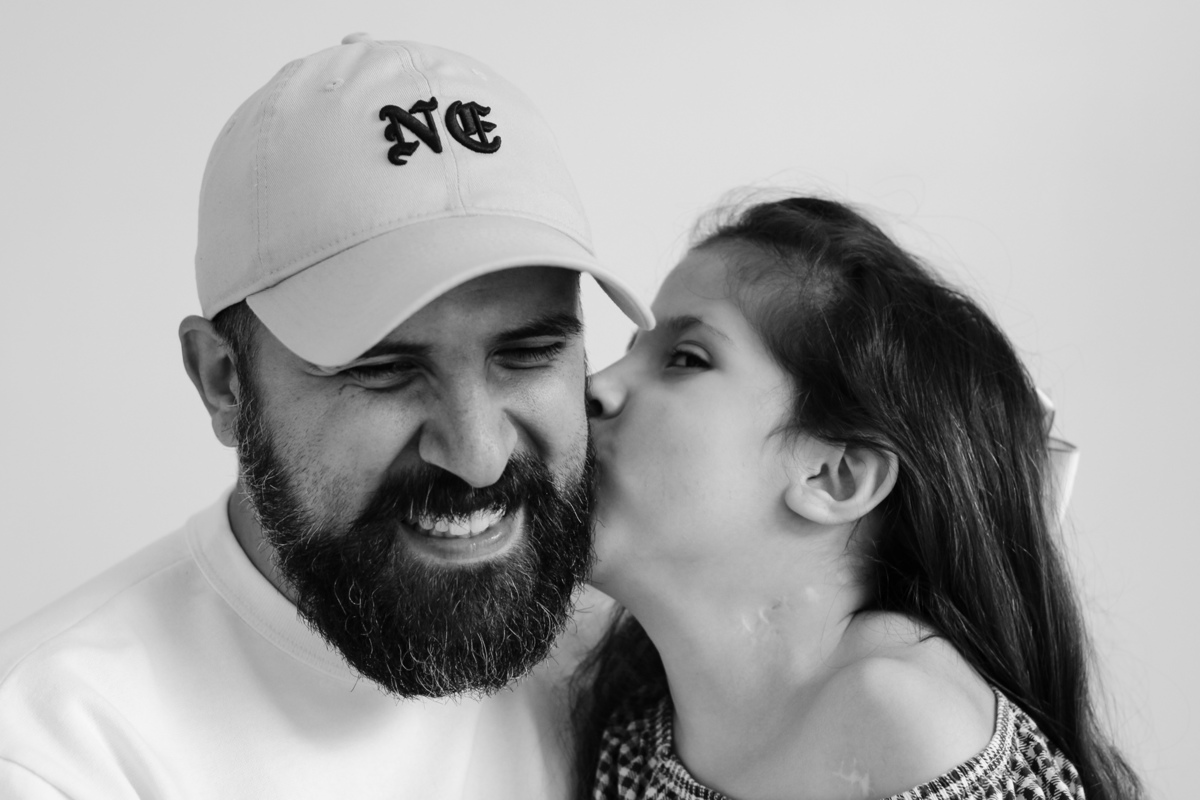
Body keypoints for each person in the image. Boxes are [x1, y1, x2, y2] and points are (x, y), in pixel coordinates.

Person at [0, 34, 652, 798]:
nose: (478, 456)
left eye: (529, 353)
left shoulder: (635, 649)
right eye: (383, 370)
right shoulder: (55, 755)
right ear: (222, 381)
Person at [576, 196, 1142, 800]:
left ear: (836, 476)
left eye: (685, 359)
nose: (594, 385)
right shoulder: (633, 730)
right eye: (631, 349)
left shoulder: (903, 720)